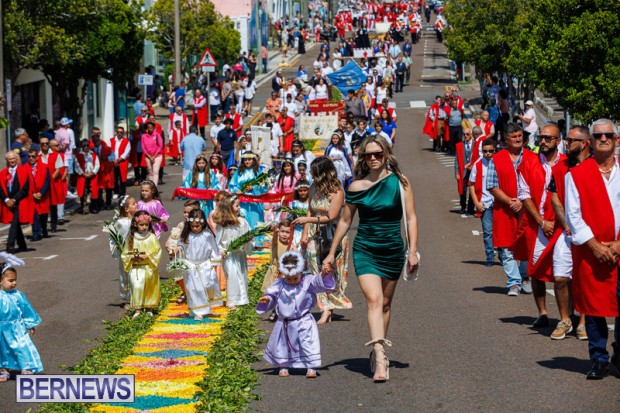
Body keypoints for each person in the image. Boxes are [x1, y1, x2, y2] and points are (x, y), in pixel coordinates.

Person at [323, 136, 419, 382]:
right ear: (363, 159)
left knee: (385, 304)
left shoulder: (400, 182)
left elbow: (410, 218)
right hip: (365, 248)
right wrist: (332, 252)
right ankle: (379, 354)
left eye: (377, 154)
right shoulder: (356, 186)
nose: (373, 158)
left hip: (393, 248)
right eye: (368, 155)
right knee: (374, 300)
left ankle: (380, 349)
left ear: (386, 154)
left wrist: (413, 250)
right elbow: (345, 220)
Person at [565, 118, 620, 380]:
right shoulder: (576, 175)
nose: (604, 139)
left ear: (617, 139)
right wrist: (595, 246)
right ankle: (598, 358)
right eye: (598, 135)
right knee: (595, 307)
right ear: (590, 142)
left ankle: (619, 356)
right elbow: (573, 216)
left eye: (609, 134)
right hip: (591, 251)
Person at [513, 124, 566, 329]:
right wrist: (542, 222)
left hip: (561, 227)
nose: (542, 141)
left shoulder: (566, 163)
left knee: (565, 273)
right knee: (535, 271)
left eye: (548, 138)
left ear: (557, 141)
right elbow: (524, 195)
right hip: (538, 225)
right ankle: (542, 312)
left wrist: (558, 222)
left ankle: (568, 314)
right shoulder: (528, 163)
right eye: (540, 137)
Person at [257, 250, 335, 378]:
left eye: (295, 278)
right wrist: (267, 299)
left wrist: (324, 274)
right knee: (282, 344)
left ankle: (311, 366)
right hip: (285, 322)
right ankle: (283, 366)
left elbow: (317, 281)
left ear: (301, 272)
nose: (292, 281)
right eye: (288, 278)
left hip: (303, 320)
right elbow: (271, 294)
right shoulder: (280, 284)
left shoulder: (306, 282)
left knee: (307, 343)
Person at [294, 157, 352, 325]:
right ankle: (324, 306)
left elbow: (331, 217)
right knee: (315, 269)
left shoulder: (337, 191)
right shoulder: (313, 188)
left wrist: (307, 222)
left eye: (314, 172)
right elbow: (310, 212)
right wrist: (305, 234)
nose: (311, 175)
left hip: (332, 234)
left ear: (322, 173)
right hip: (314, 233)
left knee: (330, 270)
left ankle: (329, 308)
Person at [548, 125, 591, 340]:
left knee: (584, 278)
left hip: (590, 233)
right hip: (566, 232)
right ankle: (565, 319)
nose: (567, 143)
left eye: (572, 140)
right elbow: (554, 196)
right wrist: (566, 223)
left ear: (584, 143)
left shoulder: (595, 166)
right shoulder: (560, 167)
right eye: (566, 139)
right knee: (560, 277)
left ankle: (583, 322)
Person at [486, 123, 535, 296]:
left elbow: (537, 183)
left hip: (527, 209)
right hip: (504, 211)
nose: (518, 139)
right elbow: (492, 185)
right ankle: (513, 283)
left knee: (527, 244)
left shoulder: (532, 157)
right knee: (506, 248)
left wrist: (523, 202)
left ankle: (525, 276)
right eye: (514, 137)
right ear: (506, 139)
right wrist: (510, 202)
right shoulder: (497, 158)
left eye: (520, 136)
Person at [172, 209, 222, 320]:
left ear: (203, 223)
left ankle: (206, 309)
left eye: (197, 226)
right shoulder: (186, 235)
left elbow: (214, 249)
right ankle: (197, 311)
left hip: (204, 264)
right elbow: (181, 245)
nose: (195, 228)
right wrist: (177, 249)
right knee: (194, 289)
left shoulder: (207, 234)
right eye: (192, 226)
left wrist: (214, 262)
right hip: (191, 265)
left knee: (207, 286)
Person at [0, 258, 43, 379]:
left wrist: (30, 324)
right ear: (0, 280)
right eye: (10, 280)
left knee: (22, 347)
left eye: (15, 280)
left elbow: (26, 309)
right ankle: (4, 371)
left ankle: (26, 368)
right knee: (3, 349)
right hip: (2, 328)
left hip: (17, 327)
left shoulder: (17, 295)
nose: (14, 283)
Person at [122, 211, 163, 319]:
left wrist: (148, 256)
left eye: (146, 224)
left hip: (148, 267)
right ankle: (137, 309)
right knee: (137, 286)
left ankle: (149, 308)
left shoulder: (151, 237)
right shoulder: (131, 238)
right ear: (135, 224)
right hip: (136, 268)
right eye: (141, 225)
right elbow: (125, 253)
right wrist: (131, 258)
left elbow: (158, 251)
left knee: (149, 287)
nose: (144, 227)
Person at [214, 195, 252, 309]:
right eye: (237, 205)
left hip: (239, 253)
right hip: (228, 255)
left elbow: (248, 235)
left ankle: (241, 298)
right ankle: (231, 300)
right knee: (232, 275)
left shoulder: (242, 222)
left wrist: (248, 240)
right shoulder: (222, 224)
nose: (239, 208)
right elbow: (217, 241)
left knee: (241, 274)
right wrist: (220, 250)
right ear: (229, 208)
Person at [469, 139, 496, 266]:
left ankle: (502, 253)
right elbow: (471, 185)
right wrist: (476, 203)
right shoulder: (478, 165)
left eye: (491, 151)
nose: (488, 153)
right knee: (487, 231)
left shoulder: (498, 163)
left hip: (499, 202)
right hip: (484, 203)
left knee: (501, 230)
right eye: (485, 151)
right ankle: (490, 256)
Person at [108, 195, 137, 308]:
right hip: (125, 253)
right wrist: (118, 247)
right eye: (133, 203)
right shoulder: (121, 223)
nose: (137, 204)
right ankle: (126, 299)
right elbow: (114, 237)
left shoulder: (137, 220)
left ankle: (138, 297)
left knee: (136, 274)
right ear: (127, 209)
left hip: (136, 252)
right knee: (125, 275)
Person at [0, 152, 33, 253]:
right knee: (15, 222)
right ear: (7, 161)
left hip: (20, 201)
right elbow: (0, 188)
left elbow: (25, 188)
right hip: (8, 202)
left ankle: (10, 245)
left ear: (17, 159)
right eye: (10, 159)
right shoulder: (3, 173)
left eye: (13, 158)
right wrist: (6, 200)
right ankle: (22, 245)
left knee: (14, 222)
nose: (12, 161)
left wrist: (14, 200)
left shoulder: (24, 171)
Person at [261, 219, 293, 321]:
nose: (284, 234)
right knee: (274, 293)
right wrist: (275, 232)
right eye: (282, 231)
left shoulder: (291, 245)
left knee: (284, 294)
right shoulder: (276, 242)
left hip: (286, 273)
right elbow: (274, 239)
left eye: (287, 232)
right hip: (275, 272)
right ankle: (274, 310)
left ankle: (283, 311)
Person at [228, 152, 268, 233]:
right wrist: (237, 190)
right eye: (245, 160)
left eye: (249, 160)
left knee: (255, 220)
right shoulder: (239, 172)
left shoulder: (258, 171)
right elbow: (232, 185)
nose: (247, 162)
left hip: (255, 201)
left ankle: (256, 241)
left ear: (253, 160)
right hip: (242, 201)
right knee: (243, 219)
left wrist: (254, 187)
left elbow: (264, 186)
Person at [24, 149, 50, 241]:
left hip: (42, 195)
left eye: (33, 156)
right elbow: (24, 184)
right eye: (29, 156)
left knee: (43, 215)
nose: (31, 158)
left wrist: (41, 193)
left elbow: (47, 181)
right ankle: (36, 233)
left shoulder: (44, 167)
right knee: (33, 214)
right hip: (31, 195)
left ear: (37, 157)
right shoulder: (24, 169)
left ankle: (44, 228)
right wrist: (32, 194)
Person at [74, 139, 100, 214]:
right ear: (81, 146)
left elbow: (97, 165)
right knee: (83, 193)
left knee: (93, 192)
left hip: (92, 176)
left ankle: (93, 207)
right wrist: (83, 174)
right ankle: (84, 208)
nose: (86, 147)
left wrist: (93, 173)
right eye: (84, 146)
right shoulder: (78, 155)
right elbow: (77, 166)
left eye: (87, 145)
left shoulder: (93, 154)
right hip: (83, 176)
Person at [47, 140, 67, 230]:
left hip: (57, 180)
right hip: (47, 182)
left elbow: (62, 168)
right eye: (57, 145)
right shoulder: (43, 155)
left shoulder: (60, 155)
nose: (59, 146)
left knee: (57, 200)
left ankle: (58, 219)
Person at [454, 128, 475, 214]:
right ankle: (463, 206)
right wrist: (456, 172)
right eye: (464, 134)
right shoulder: (459, 145)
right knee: (462, 190)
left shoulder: (476, 145)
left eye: (467, 134)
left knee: (472, 190)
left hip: (473, 171)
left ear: (471, 134)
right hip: (463, 172)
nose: (465, 136)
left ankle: (470, 208)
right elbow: (456, 161)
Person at [110, 127, 131, 197]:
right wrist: (113, 160)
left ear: (123, 133)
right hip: (113, 162)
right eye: (118, 132)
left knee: (122, 178)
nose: (119, 134)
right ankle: (116, 192)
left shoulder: (126, 141)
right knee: (114, 178)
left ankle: (122, 193)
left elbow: (126, 153)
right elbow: (109, 151)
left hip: (122, 162)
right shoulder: (111, 140)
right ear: (116, 132)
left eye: (121, 132)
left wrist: (118, 160)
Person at [141, 122, 164, 186]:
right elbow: (143, 147)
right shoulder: (143, 136)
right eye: (149, 127)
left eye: (152, 127)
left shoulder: (157, 135)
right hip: (148, 156)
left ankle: (154, 187)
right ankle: (151, 186)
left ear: (154, 128)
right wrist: (149, 156)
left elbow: (160, 146)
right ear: (147, 128)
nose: (150, 129)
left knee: (155, 172)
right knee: (150, 172)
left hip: (157, 156)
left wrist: (154, 156)